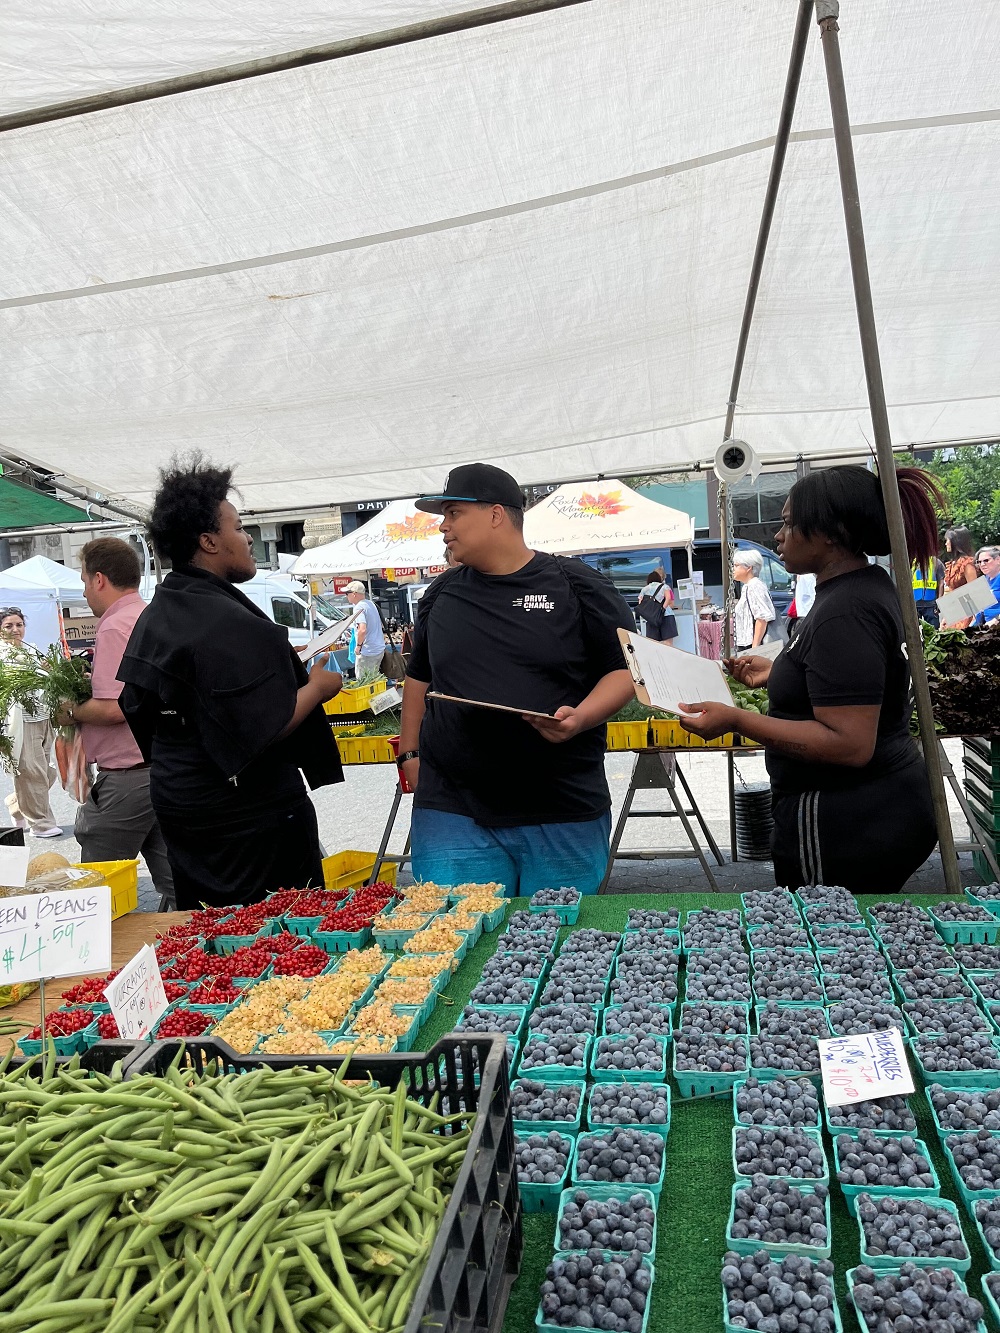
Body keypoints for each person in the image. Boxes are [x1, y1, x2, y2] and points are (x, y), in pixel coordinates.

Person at [678, 465, 941, 894]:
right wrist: (778, 671)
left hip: (848, 821)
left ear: (830, 534)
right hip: (867, 810)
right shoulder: (857, 588)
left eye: (788, 523)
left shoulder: (846, 610)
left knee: (829, 930)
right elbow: (848, 678)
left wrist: (737, 720)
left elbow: (850, 744)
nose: (778, 536)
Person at [117, 455, 345, 909]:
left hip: (182, 802)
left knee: (210, 928)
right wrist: (318, 687)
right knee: (281, 929)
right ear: (209, 541)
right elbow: (262, 725)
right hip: (246, 815)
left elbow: (138, 707)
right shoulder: (226, 620)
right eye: (239, 528)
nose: (248, 538)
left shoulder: (159, 612)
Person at [397, 463, 635, 896]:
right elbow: (419, 678)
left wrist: (580, 718)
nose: (443, 527)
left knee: (558, 933)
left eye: (453, 513)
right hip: (453, 810)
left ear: (495, 514)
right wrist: (409, 752)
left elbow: (625, 670)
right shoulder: (440, 595)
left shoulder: (577, 585)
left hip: (561, 807)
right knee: (453, 930)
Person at [55, 540, 175, 902]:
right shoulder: (148, 614)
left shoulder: (113, 626)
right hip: (162, 767)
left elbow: (114, 708)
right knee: (175, 878)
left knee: (96, 889)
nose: (84, 591)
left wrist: (70, 711)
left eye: (84, 581)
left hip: (127, 776)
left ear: (99, 579)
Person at [0, 608, 61, 838]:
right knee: (31, 773)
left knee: (47, 772)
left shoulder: (31, 650)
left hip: (44, 717)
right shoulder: (2, 655)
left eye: (19, 624)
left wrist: (47, 671)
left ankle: (17, 805)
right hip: (20, 722)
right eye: (9, 626)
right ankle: (41, 824)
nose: (15, 630)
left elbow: (44, 682)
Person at [732, 550, 776, 652]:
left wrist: (755, 648)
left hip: (752, 645)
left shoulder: (754, 585)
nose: (733, 569)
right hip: (747, 644)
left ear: (749, 567)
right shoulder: (748, 586)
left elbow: (762, 618)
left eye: (736, 565)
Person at [343, 581, 386, 681]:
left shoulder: (359, 607)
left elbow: (362, 629)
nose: (346, 596)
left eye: (347, 593)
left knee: (363, 682)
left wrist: (358, 646)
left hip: (367, 650)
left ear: (354, 594)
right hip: (378, 648)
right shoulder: (371, 604)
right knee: (374, 680)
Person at [636, 569, 677, 646]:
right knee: (668, 642)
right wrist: (663, 609)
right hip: (666, 615)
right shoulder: (665, 587)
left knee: (653, 643)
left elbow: (640, 602)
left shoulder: (645, 589)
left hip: (651, 617)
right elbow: (668, 598)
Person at [911, 555, 944, 628]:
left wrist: (939, 603)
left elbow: (941, 584)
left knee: (915, 630)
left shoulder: (936, 562)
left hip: (928, 604)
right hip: (919, 604)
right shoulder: (913, 562)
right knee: (932, 631)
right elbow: (941, 584)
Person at [973, 547, 1000, 627]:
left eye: (986, 560)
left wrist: (996, 620)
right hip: (987, 626)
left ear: (998, 560)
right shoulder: (985, 580)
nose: (982, 564)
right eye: (979, 562)